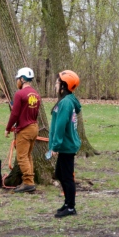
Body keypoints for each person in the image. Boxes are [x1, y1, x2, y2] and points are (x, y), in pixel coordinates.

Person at [47, 70, 82, 218]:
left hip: (66, 146)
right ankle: (67, 203)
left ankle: (70, 207)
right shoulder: (66, 101)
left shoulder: (66, 103)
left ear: (64, 85)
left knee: (67, 177)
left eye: (57, 83)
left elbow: (60, 125)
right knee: (60, 174)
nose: (55, 85)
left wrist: (55, 146)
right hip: (65, 145)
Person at [5, 67, 41, 193]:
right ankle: (29, 180)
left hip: (24, 130)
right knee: (28, 155)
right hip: (34, 128)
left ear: (22, 79)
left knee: (22, 157)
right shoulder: (36, 94)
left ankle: (28, 183)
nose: (17, 82)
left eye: (18, 79)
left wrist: (8, 128)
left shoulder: (19, 94)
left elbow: (14, 115)